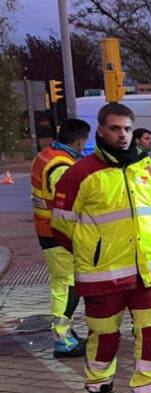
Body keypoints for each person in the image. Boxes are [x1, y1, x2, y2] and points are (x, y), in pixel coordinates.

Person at [51, 103, 151, 393]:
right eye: (115, 128)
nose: (123, 135)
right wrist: (93, 252)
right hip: (102, 274)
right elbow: (60, 226)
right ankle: (99, 392)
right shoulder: (80, 173)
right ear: (100, 131)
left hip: (146, 271)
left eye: (127, 128)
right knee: (104, 338)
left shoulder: (145, 167)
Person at [31, 118, 91, 358]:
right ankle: (62, 338)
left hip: (47, 229)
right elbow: (67, 203)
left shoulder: (47, 154)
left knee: (64, 284)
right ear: (79, 140)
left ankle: (65, 333)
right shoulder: (61, 166)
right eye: (85, 141)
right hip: (58, 233)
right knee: (66, 286)